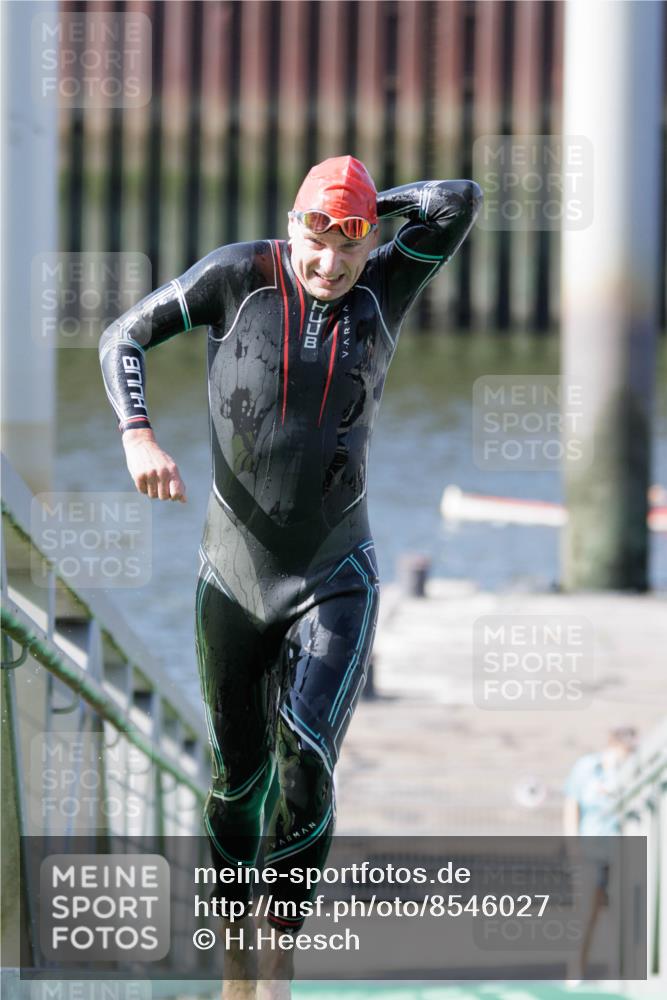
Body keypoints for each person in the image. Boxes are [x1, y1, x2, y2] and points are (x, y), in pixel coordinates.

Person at [99, 155, 482, 998]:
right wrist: (136, 434)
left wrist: (360, 208)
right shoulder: (241, 276)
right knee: (237, 784)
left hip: (335, 571)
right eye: (317, 237)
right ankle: (236, 952)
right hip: (233, 577)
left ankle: (277, 965)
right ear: (291, 224)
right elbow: (120, 335)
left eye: (349, 245)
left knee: (305, 759)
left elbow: (458, 201)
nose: (331, 263)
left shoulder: (387, 285)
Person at [562, 725, 638, 984]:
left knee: (625, 914)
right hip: (591, 849)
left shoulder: (633, 770)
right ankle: (575, 973)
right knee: (585, 913)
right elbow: (572, 805)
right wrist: (573, 846)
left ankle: (619, 973)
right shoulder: (586, 768)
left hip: (624, 851)